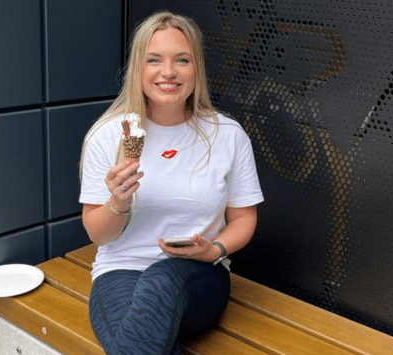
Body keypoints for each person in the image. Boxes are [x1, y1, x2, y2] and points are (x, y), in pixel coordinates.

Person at [79, 11, 264, 355]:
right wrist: (118, 202)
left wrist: (215, 250)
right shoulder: (108, 136)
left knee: (160, 281)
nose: (168, 72)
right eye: (154, 60)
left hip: (198, 276)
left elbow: (243, 218)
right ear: (139, 68)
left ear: (197, 69)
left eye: (182, 60)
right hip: (121, 272)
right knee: (137, 343)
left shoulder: (227, 135)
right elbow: (97, 235)